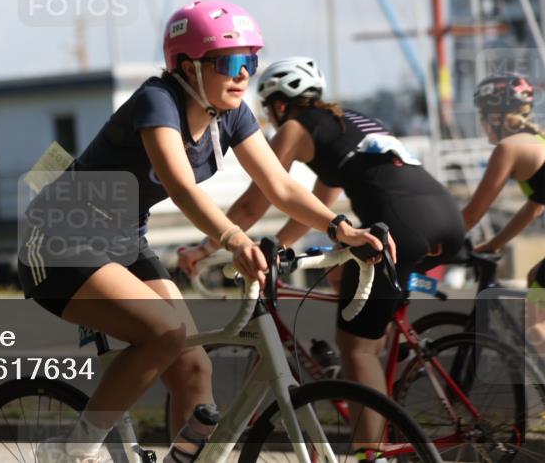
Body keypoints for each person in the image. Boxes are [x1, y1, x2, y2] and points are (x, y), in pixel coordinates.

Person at [18, 3, 387, 463]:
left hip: (123, 242)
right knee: (165, 333)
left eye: (250, 61)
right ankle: (74, 447)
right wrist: (235, 240)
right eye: (230, 63)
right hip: (60, 239)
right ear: (188, 66)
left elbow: (278, 185)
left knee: (194, 367)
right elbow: (180, 186)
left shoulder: (231, 114)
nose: (244, 74)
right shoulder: (158, 101)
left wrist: (341, 229)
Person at [180, 56, 464, 462]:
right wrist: (277, 247)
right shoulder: (346, 123)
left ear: (280, 104)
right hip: (446, 219)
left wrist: (205, 249)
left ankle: (371, 454)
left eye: (269, 110)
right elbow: (316, 211)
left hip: (401, 229)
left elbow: (254, 202)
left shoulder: (294, 128)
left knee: (355, 347)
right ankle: (372, 383)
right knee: (347, 283)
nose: (271, 119)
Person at [462, 72, 545, 352]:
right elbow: (535, 207)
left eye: (482, 114)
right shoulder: (537, 139)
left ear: (495, 115)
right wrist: (494, 243)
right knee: (534, 276)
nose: (482, 121)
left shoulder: (509, 148)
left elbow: (472, 215)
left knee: (535, 327)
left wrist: (435, 247)